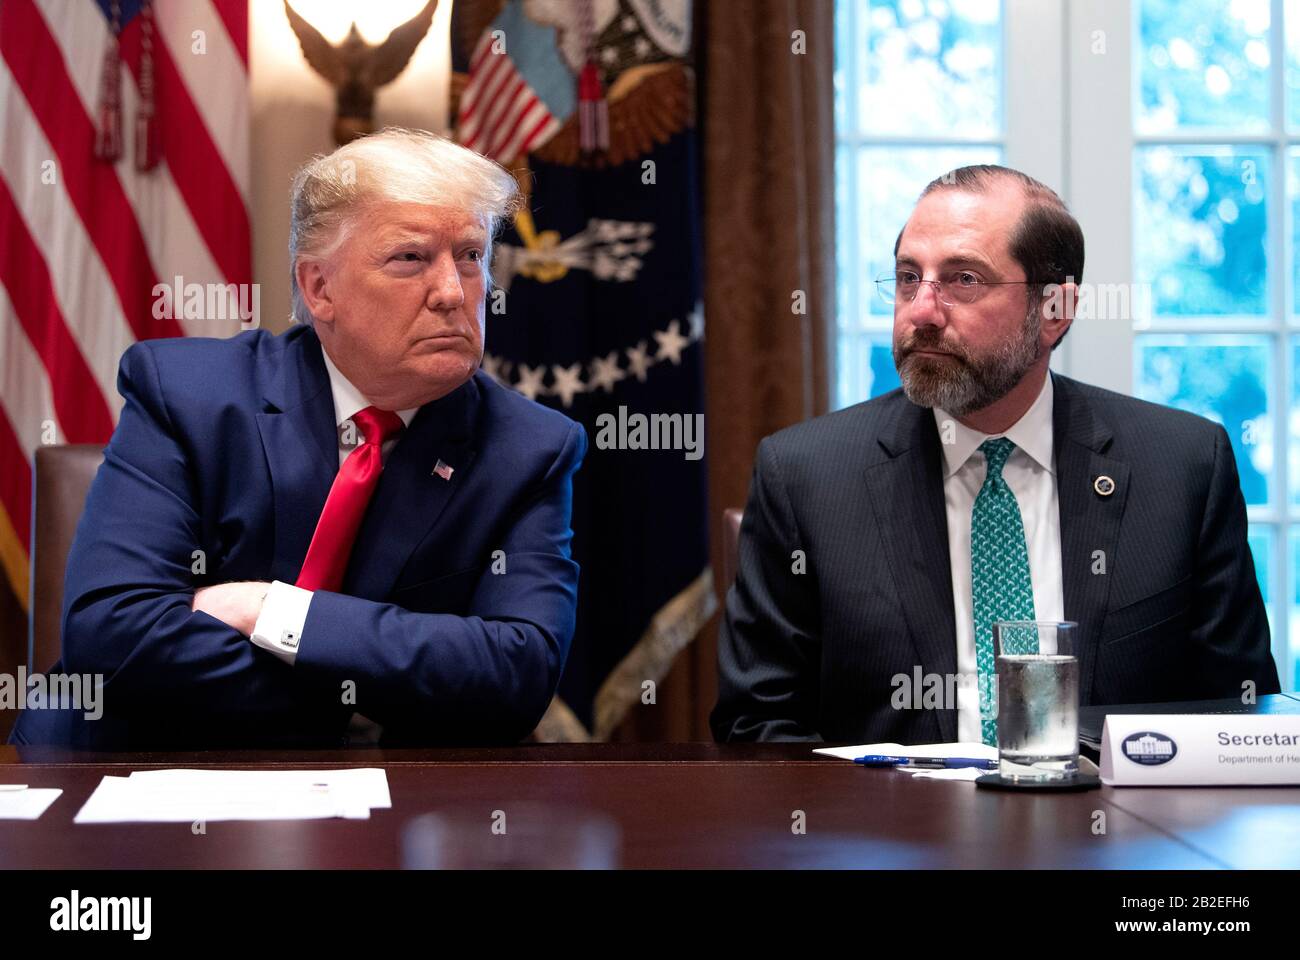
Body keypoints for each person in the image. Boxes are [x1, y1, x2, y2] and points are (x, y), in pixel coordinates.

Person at [11, 129, 586, 749]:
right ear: (319, 289)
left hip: (373, 808)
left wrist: (270, 611)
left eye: (471, 255)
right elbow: (110, 639)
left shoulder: (528, 448)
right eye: (410, 258)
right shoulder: (189, 395)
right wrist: (365, 699)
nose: (452, 292)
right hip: (125, 770)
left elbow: (516, 677)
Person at [712, 164, 1280, 744]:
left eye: (963, 280)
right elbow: (756, 730)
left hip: (1110, 829)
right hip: (895, 827)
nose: (922, 311)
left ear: (1055, 310)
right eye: (909, 278)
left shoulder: (1183, 467)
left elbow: (1244, 723)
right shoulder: (807, 477)